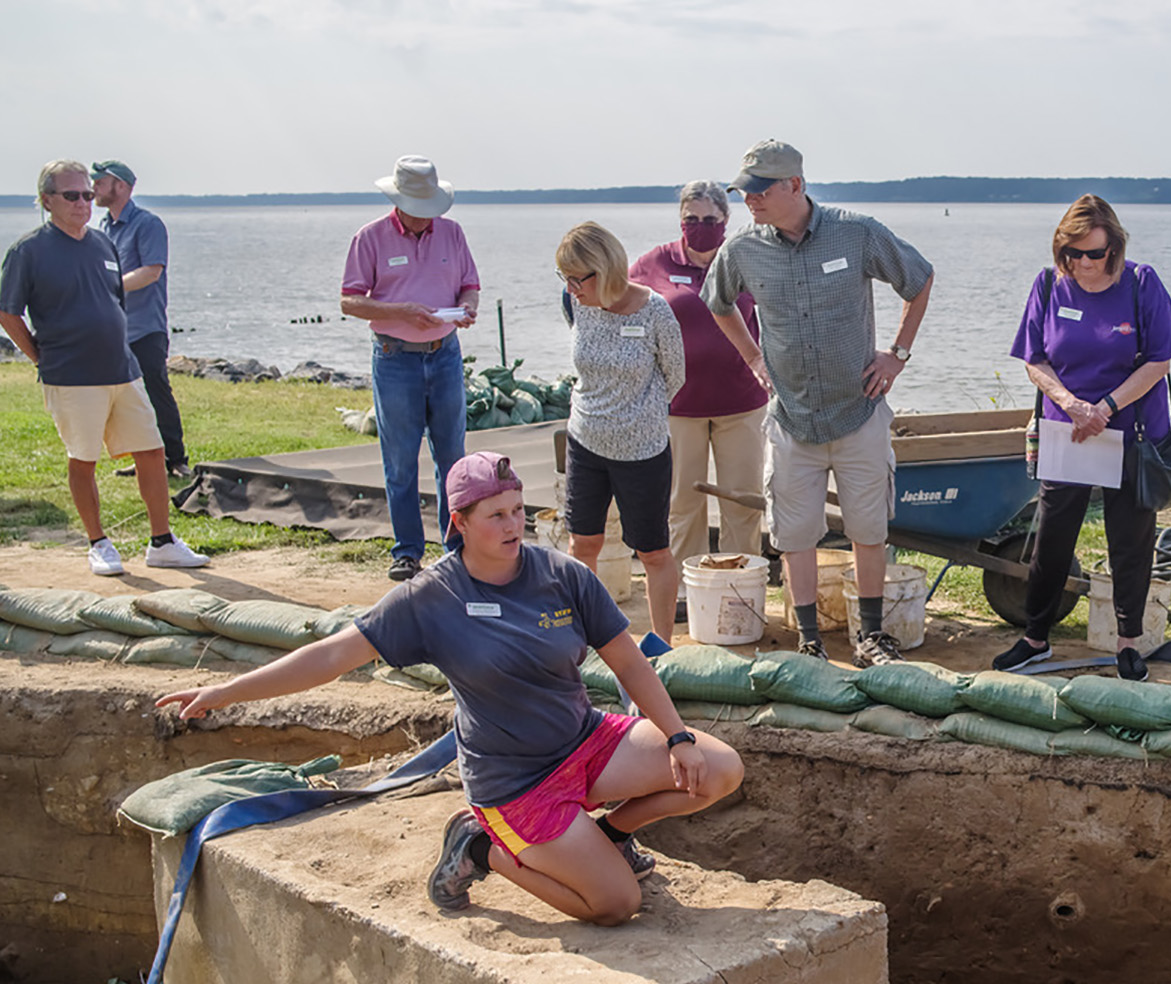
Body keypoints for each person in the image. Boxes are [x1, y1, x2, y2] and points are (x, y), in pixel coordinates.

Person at [158, 452, 744, 926]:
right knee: (616, 905)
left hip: (586, 743)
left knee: (719, 769)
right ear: (458, 523)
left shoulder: (564, 574)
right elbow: (333, 654)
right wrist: (224, 693)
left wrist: (677, 737)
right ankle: (480, 847)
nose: (514, 525)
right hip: (515, 783)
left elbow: (630, 664)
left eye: (518, 510)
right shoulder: (430, 597)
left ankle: (611, 834)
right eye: (496, 515)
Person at [702, 139, 934, 667]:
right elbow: (717, 303)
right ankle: (809, 642)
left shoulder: (857, 233)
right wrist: (754, 359)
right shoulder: (742, 249)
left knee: (868, 528)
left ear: (796, 186)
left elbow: (919, 281)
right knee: (795, 533)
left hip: (859, 411)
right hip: (791, 419)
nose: (750, 200)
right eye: (744, 191)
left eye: (760, 190)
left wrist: (897, 355)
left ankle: (870, 637)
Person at [994, 195, 1171, 681]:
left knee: (1131, 538)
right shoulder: (1047, 285)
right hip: (1070, 430)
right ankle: (1036, 637)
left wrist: (1106, 408)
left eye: (1094, 254)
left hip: (1132, 432)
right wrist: (1073, 404)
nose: (1083, 264)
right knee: (1053, 535)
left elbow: (1159, 362)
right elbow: (1034, 358)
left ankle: (1127, 642)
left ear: (1114, 248)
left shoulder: (1142, 284)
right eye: (1073, 254)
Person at [0, 160, 208, 577]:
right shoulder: (28, 250)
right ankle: (99, 544)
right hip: (71, 375)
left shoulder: (101, 243)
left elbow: (114, 301)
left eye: (87, 195)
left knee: (152, 451)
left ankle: (161, 542)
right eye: (72, 195)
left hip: (122, 369)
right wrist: (41, 357)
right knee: (84, 458)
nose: (83, 203)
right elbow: (8, 314)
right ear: (47, 201)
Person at [341, 156, 481, 583]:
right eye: (418, 210)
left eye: (431, 210)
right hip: (394, 356)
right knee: (400, 459)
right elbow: (349, 300)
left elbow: (470, 285)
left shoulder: (452, 234)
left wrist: (469, 308)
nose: (426, 219)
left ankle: (455, 546)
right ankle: (406, 552)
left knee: (452, 455)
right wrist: (400, 310)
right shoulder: (370, 238)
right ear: (398, 202)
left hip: (445, 353)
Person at [629, 181, 766, 577]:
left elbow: (780, 314)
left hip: (742, 403)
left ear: (726, 220)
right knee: (681, 503)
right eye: (691, 218)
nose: (700, 225)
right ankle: (686, 587)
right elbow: (614, 300)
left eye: (710, 219)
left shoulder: (744, 258)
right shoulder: (654, 262)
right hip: (678, 405)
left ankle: (741, 582)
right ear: (680, 220)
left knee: (743, 503)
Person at [557, 222, 686, 643]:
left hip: (642, 449)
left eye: (579, 279)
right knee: (583, 545)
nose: (572, 288)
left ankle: (661, 644)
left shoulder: (655, 311)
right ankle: (585, 637)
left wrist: (634, 413)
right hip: (585, 440)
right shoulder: (575, 303)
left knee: (652, 551)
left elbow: (676, 377)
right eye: (566, 279)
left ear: (606, 270)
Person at [90, 160, 192, 480]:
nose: (93, 187)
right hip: (114, 328)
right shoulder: (103, 227)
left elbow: (152, 271)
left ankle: (176, 460)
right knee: (127, 397)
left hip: (145, 326)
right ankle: (144, 458)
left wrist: (110, 286)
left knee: (155, 390)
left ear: (121, 186)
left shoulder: (148, 224)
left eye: (99, 181)